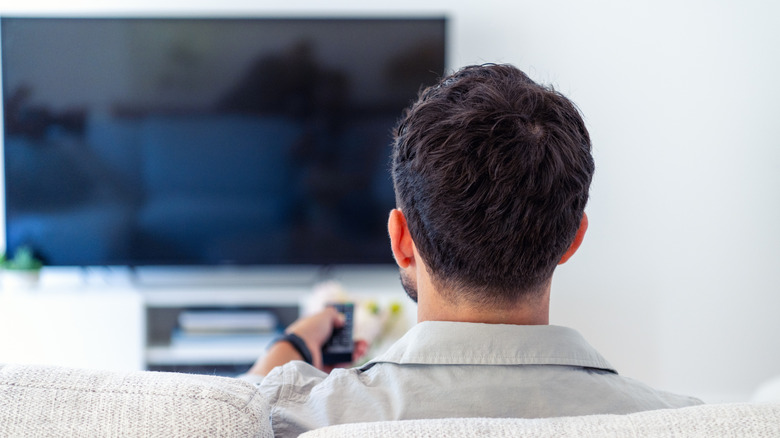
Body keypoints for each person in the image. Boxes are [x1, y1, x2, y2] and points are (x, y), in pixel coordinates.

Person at [242, 64, 702, 436]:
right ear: (572, 239)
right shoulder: (684, 423)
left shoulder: (292, 414)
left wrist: (293, 345)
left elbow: (220, 413)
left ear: (401, 240)